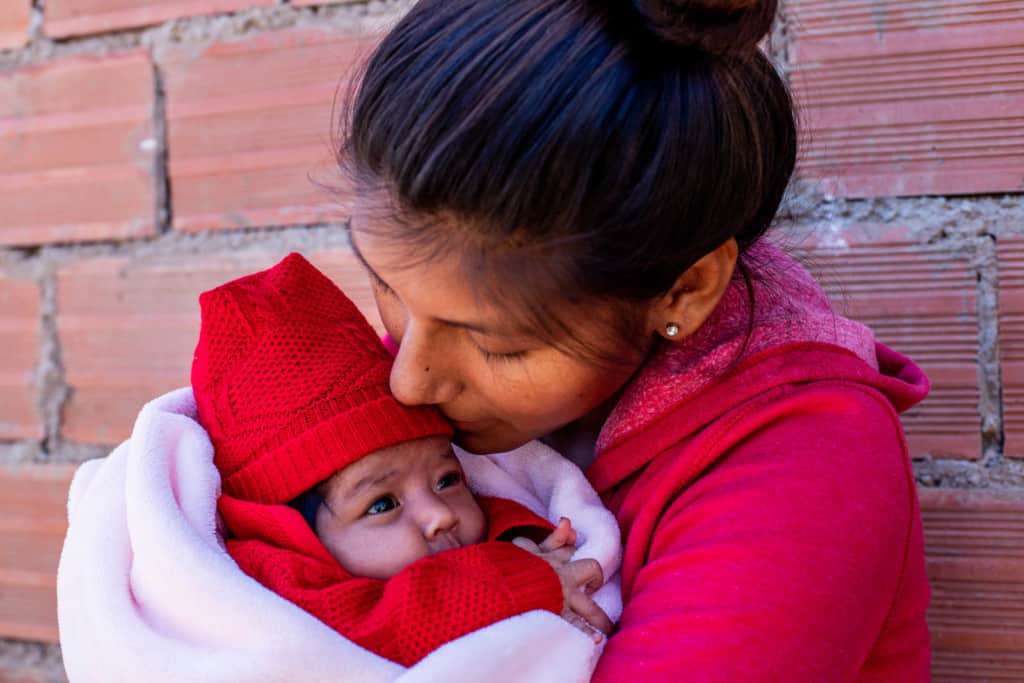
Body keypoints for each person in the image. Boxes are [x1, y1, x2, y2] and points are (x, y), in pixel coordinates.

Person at [333, 0, 932, 680]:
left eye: (500, 346)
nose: (407, 381)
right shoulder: (406, 388)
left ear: (684, 291)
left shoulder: (808, 465)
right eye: (386, 287)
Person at [191, 252, 617, 666]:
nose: (439, 516)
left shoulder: (437, 532)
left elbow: (493, 508)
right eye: (382, 505)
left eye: (447, 479)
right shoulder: (271, 586)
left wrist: (517, 540)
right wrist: (521, 579)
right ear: (291, 534)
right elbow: (379, 627)